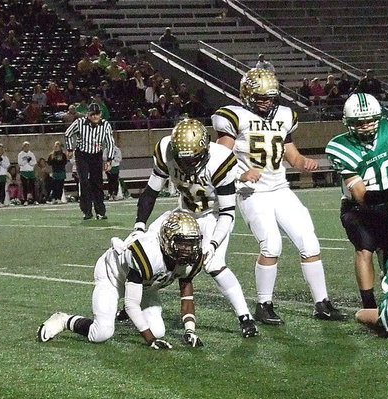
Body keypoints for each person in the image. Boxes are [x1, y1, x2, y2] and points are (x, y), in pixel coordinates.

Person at [212, 68, 346, 324]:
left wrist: (303, 162)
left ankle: (322, 303)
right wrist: (240, 175)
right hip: (252, 193)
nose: (266, 101)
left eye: (270, 97)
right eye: (261, 96)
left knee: (310, 243)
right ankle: (264, 304)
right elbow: (218, 159)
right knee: (272, 245)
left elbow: (291, 154)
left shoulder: (284, 116)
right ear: (247, 94)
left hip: (280, 189)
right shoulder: (234, 117)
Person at [134, 118, 258, 338]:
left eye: (193, 158)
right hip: (184, 211)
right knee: (145, 248)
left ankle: (245, 316)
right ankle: (133, 300)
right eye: (184, 159)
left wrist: (212, 244)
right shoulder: (166, 151)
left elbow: (228, 212)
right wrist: (139, 225)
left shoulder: (220, 160)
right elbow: (150, 193)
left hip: (214, 214)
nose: (188, 164)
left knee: (213, 264)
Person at [38, 210, 206, 349]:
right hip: (113, 277)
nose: (188, 250)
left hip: (145, 285)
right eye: (182, 243)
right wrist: (150, 340)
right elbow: (131, 303)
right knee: (101, 333)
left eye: (191, 244)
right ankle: (64, 320)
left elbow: (187, 297)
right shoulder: (147, 255)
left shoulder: (192, 260)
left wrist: (190, 331)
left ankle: (122, 315)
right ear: (167, 241)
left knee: (158, 331)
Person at [325, 92, 388, 309]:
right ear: (348, 123)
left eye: (370, 120)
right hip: (357, 209)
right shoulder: (340, 147)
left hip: (384, 205)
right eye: (359, 122)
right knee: (365, 248)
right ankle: (369, 304)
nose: (366, 126)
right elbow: (363, 197)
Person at [64, 102, 116, 220]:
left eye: (96, 114)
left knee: (97, 183)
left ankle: (100, 211)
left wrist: (109, 160)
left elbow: (110, 142)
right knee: (84, 182)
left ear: (100, 114)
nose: (94, 117)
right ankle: (86, 211)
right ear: (88, 114)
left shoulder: (106, 125)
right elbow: (68, 134)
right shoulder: (80, 122)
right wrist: (69, 148)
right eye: (92, 114)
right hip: (82, 155)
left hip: (97, 155)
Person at [17, 141, 36, 205]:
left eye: (28, 146)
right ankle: (25, 200)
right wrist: (26, 161)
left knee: (32, 186)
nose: (26, 148)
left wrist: (30, 162)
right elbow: (20, 163)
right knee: (25, 187)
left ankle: (34, 200)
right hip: (24, 172)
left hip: (30, 172)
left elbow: (34, 162)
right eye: (25, 146)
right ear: (23, 147)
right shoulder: (20, 154)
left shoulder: (31, 154)